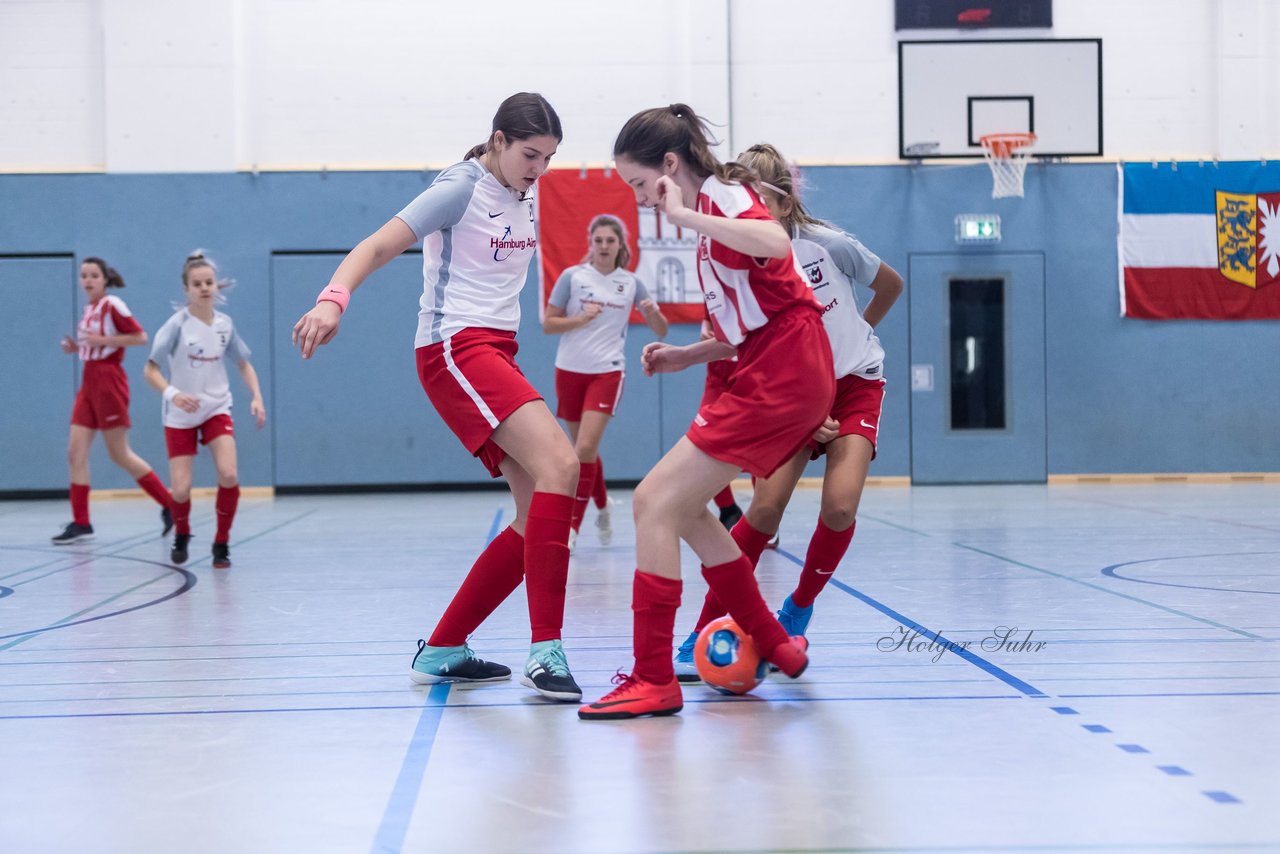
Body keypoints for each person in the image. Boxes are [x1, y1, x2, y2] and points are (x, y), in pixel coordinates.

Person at [291, 93, 583, 703]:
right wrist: (332, 299)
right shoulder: (460, 187)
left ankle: (445, 647)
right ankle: (546, 650)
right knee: (562, 464)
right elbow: (376, 245)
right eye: (530, 154)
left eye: (550, 158)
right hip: (456, 348)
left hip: (496, 351)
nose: (540, 168)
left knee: (537, 515)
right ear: (498, 140)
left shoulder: (523, 189)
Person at [578, 105, 835, 720]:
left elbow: (776, 242)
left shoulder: (722, 193)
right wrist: (686, 354)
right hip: (777, 361)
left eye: (640, 185)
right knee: (686, 508)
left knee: (651, 503)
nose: (640, 199)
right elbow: (755, 320)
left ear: (669, 166)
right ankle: (773, 641)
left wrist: (684, 213)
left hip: (785, 370)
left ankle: (652, 677)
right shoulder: (713, 214)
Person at [673, 143, 904, 679]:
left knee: (840, 508)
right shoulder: (743, 263)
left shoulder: (827, 246)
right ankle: (706, 624)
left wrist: (860, 332)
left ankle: (798, 607)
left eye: (758, 200)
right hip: (794, 389)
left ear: (782, 203)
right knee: (764, 510)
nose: (748, 212)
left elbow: (889, 283)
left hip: (854, 386)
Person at [543, 214, 668, 549]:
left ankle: (572, 528)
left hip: (607, 371)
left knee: (583, 449)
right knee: (586, 450)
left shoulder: (630, 282)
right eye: (598, 240)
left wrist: (653, 312)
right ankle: (602, 505)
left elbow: (661, 331)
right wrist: (580, 318)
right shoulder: (572, 277)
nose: (603, 246)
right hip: (569, 369)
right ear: (590, 242)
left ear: (619, 245)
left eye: (609, 241)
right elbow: (548, 323)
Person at [144, 252, 266, 569]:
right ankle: (182, 532)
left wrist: (256, 396)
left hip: (216, 408)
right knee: (181, 489)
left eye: (209, 282)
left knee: (228, 474)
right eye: (197, 284)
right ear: (186, 289)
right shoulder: (175, 326)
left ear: (216, 286)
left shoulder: (226, 325)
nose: (204, 288)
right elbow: (151, 370)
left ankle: (221, 542)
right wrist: (173, 393)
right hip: (181, 414)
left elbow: (243, 363)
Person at [52, 257, 173, 544]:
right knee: (74, 453)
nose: (88, 280)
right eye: (83, 275)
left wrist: (103, 342)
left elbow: (140, 336)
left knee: (119, 454)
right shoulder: (89, 309)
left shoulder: (113, 305)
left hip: (108, 381)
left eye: (94, 275)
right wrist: (78, 346)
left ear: (105, 279)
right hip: (89, 381)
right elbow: (94, 342)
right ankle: (81, 522)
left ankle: (171, 505)